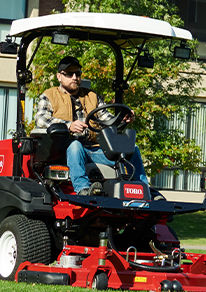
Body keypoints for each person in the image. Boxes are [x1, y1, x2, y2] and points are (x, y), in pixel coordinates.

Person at [35, 56, 151, 197]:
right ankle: (83, 190)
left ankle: (144, 190)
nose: (74, 77)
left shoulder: (92, 96)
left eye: (77, 74)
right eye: (69, 74)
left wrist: (123, 119)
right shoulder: (49, 95)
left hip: (95, 150)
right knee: (75, 145)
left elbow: (107, 119)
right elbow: (41, 119)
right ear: (59, 76)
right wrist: (69, 125)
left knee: (132, 149)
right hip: (65, 151)